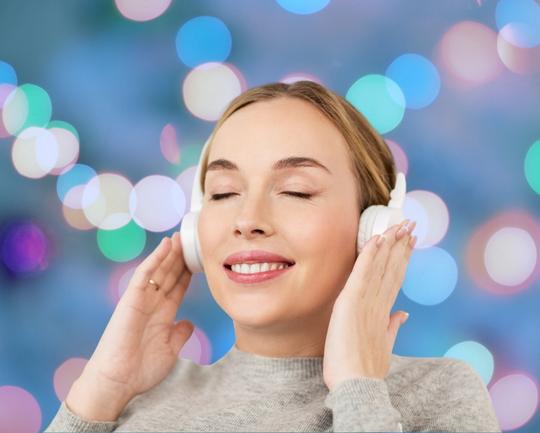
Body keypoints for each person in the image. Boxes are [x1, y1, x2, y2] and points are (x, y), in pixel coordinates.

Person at [45, 81, 501, 432]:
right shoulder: (128, 402)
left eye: (295, 191)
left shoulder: (439, 393)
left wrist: (357, 388)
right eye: (223, 193)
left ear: (372, 228)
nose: (248, 219)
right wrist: (100, 392)